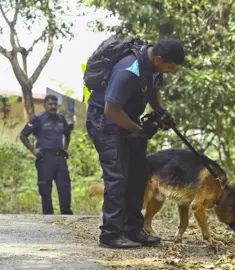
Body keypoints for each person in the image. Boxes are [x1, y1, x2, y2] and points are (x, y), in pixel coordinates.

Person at [86, 38, 185, 249]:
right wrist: (137, 130)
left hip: (127, 120)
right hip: (107, 123)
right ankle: (111, 234)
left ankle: (133, 229)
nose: (172, 70)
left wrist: (161, 112)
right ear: (158, 58)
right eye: (170, 66)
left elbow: (154, 89)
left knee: (139, 174)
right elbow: (110, 109)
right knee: (118, 176)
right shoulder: (128, 70)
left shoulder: (155, 67)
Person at [19, 95, 73, 215]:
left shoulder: (61, 118)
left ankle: (67, 216)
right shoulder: (38, 119)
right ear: (44, 105)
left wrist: (65, 148)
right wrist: (33, 150)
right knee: (45, 189)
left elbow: (67, 134)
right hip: (45, 159)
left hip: (60, 158)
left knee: (64, 187)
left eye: (55, 104)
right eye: (50, 104)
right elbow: (23, 135)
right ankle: (48, 217)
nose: (53, 106)